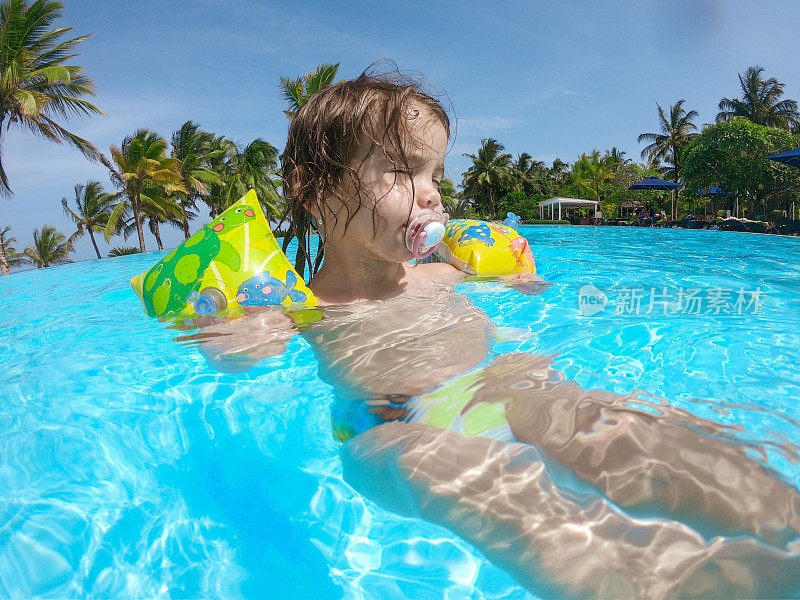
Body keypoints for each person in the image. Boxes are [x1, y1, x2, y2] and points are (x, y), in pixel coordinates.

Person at [186, 69, 800, 598]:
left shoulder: (440, 275)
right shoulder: (306, 306)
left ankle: (780, 515)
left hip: (496, 386)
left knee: (601, 418)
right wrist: (230, 330)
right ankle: (683, 581)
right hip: (393, 423)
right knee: (435, 469)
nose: (431, 192)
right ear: (315, 190)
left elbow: (498, 284)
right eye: (404, 170)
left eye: (436, 172)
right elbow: (248, 353)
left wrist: (516, 282)